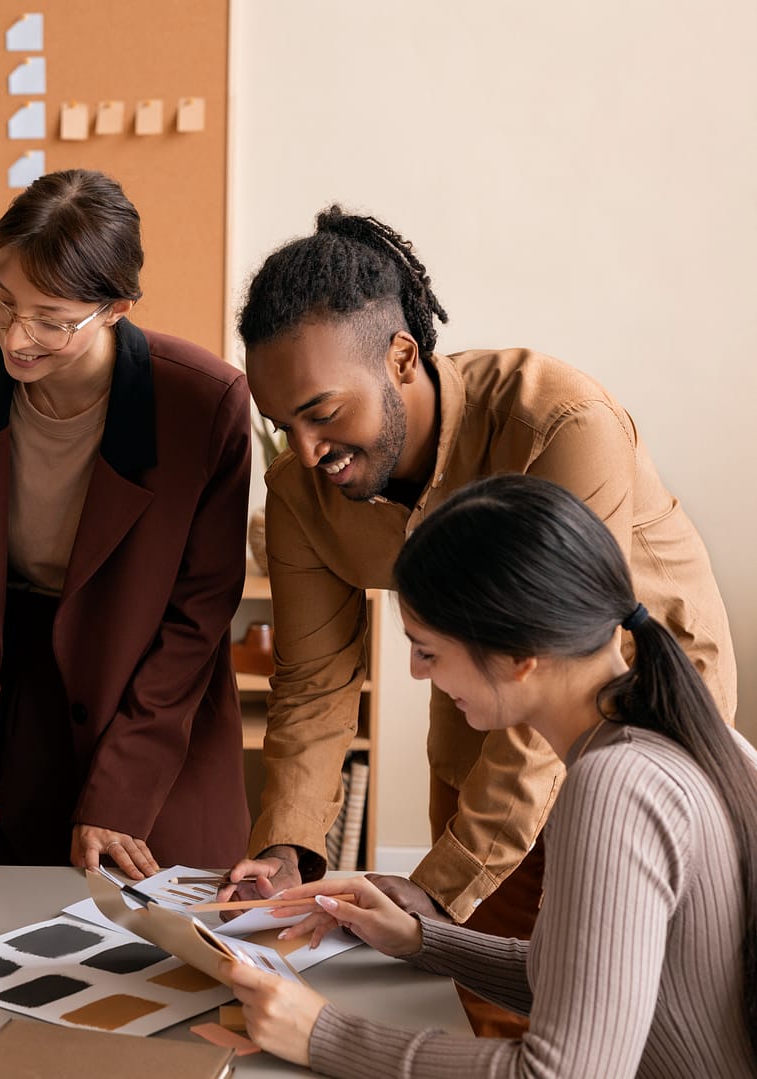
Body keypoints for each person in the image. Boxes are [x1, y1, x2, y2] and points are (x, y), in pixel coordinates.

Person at [224, 207, 736, 1034]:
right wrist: (286, 847)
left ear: (401, 358)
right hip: (487, 722)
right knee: (487, 1007)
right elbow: (314, 680)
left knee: (629, 1019)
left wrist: (438, 886)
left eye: (322, 411)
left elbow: (561, 657)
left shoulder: (559, 424)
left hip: (636, 723)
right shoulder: (300, 490)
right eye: (285, 425)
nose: (307, 450)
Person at [219, 475, 757, 1078]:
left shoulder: (615, 784)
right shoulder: (683, 736)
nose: (418, 673)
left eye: (427, 651)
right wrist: (420, 938)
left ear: (520, 655)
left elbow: (563, 1073)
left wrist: (322, 1034)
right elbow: (590, 989)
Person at [0, 170, 252, 879]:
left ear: (116, 307)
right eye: (0, 299)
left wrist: (121, 791)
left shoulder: (202, 401)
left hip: (149, 688)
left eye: (52, 318)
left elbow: (199, 613)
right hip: (9, 673)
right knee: (9, 915)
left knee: (158, 923)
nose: (16, 336)